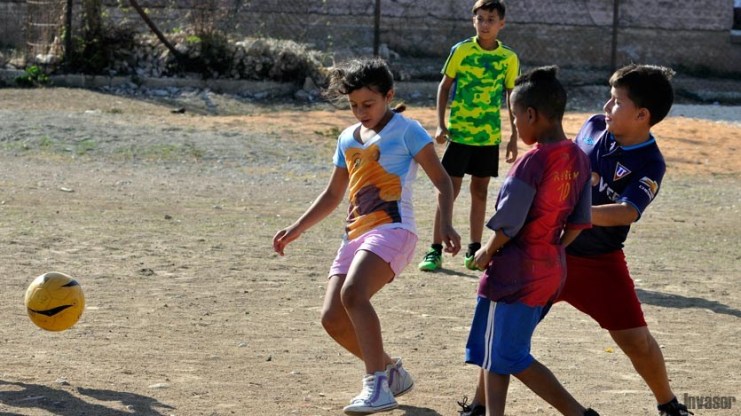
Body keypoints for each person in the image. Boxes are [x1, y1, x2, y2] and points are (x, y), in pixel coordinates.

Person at [458, 65, 692, 416]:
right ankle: (480, 406)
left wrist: (569, 211)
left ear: (642, 115)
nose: (606, 106)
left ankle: (668, 403)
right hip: (546, 254)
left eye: (616, 102)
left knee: (635, 341)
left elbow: (628, 211)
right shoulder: (594, 127)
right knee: (503, 332)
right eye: (609, 98)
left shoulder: (650, 162)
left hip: (599, 260)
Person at [272, 57, 461, 415]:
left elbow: (442, 181)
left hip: (394, 229)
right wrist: (297, 227)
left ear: (388, 95)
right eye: (354, 105)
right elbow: (333, 195)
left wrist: (447, 225)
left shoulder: (407, 130)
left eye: (368, 104)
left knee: (354, 294)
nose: (361, 112)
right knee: (332, 317)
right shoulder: (346, 138)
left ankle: (376, 386)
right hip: (354, 235)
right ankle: (391, 371)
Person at [464, 66, 598, 416]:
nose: (514, 126)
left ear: (531, 114)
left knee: (507, 355)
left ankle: (578, 413)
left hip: (514, 271)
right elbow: (580, 222)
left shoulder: (532, 161)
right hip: (551, 268)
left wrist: (486, 251)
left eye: (513, 118)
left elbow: (508, 224)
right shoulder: (578, 158)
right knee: (499, 347)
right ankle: (479, 408)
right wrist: (550, 249)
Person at [418, 0, 520, 272]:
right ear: (473, 21)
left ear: (502, 24)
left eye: (491, 19)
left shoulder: (509, 58)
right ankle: (435, 249)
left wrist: (513, 136)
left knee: (481, 190)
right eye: (481, 19)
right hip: (460, 133)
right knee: (448, 189)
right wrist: (440, 124)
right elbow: (444, 86)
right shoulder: (461, 50)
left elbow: (513, 96)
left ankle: (474, 249)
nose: (485, 24)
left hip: (489, 136)